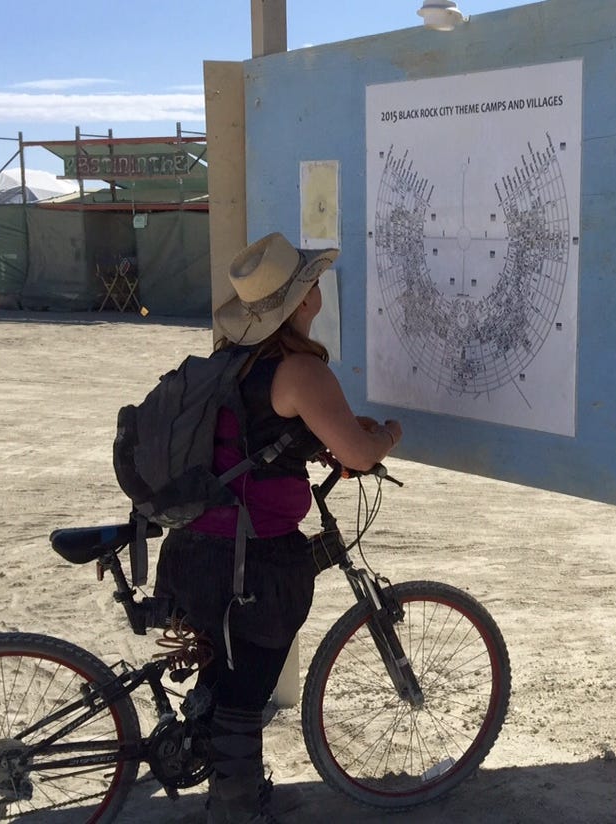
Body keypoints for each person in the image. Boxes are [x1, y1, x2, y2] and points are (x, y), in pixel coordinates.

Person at [153, 232, 402, 824]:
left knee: (224, 677)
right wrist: (389, 434)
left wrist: (313, 445)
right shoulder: (297, 373)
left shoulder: (227, 361)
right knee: (245, 696)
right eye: (311, 284)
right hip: (251, 566)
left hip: (191, 551)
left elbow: (247, 442)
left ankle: (239, 790)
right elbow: (361, 455)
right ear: (303, 301)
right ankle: (237, 812)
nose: (318, 290)